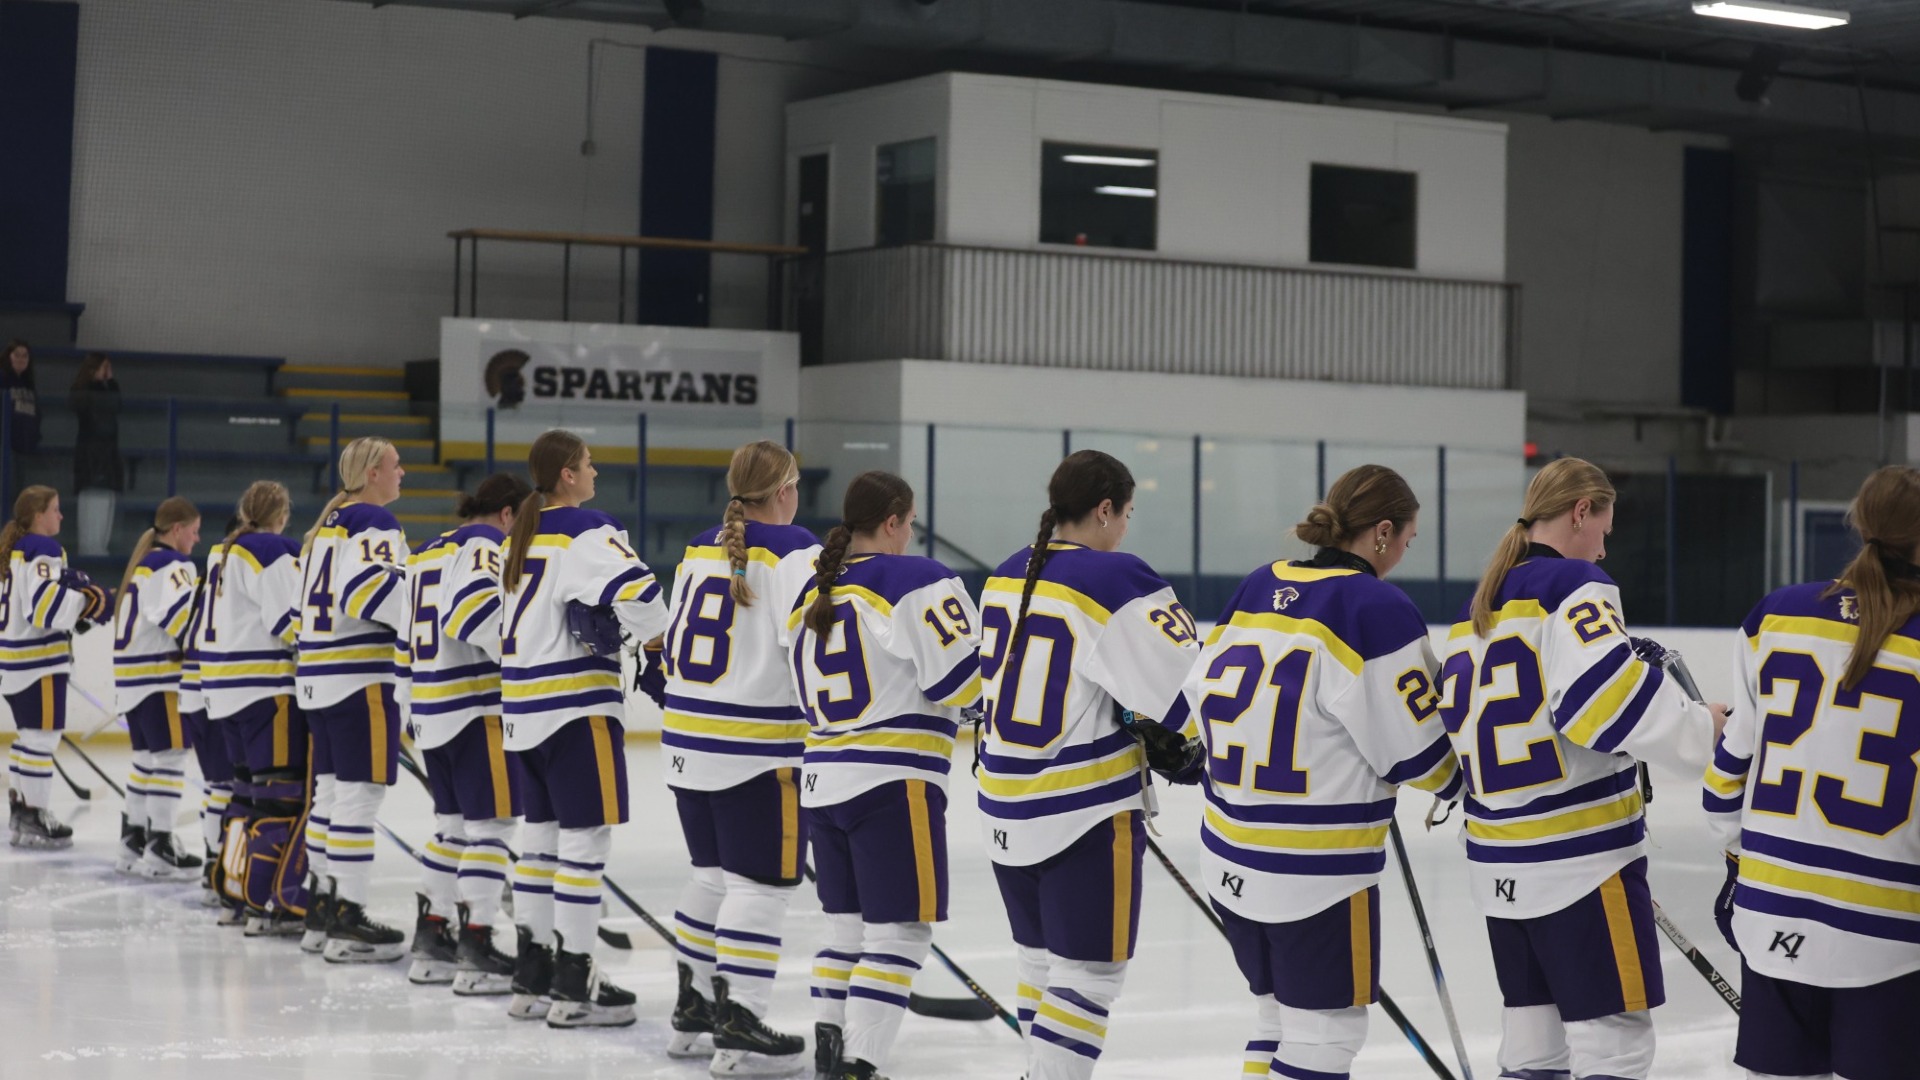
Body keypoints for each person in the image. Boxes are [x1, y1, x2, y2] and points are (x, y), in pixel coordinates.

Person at [1438, 457, 1726, 1080]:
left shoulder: (1480, 606)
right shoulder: (1574, 586)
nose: (1602, 549)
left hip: (1498, 868)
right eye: (1604, 529)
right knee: (1614, 1050)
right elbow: (1603, 705)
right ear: (1579, 512)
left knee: (1533, 1051)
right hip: (1581, 864)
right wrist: (1704, 726)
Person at [1183, 465, 1463, 1080]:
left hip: (1227, 852)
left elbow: (1197, 704)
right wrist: (1456, 783)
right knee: (1326, 1035)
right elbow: (1419, 752)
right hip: (1315, 872)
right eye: (1406, 542)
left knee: (1277, 1021)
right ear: (1382, 532)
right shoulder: (1376, 605)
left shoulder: (1259, 585)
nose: (1402, 558)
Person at [976, 449, 1203, 1080]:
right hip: (1082, 814)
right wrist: (1188, 753)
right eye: (1125, 514)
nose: (1126, 529)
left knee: (1041, 968)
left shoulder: (1004, 571)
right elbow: (1184, 691)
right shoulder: (1114, 576)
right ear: (1104, 509)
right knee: (1089, 979)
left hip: (1002, 805)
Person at [1706, 465, 1920, 1080]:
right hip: (1889, 937)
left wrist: (1744, 868)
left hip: (1771, 913)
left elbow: (1727, 781)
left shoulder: (1777, 615)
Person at [790, 472, 982, 1080]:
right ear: (896, 521)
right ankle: (860, 1065)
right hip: (891, 785)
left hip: (821, 779)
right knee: (900, 934)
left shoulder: (809, 594)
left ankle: (830, 1053)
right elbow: (962, 682)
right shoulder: (916, 578)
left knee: (845, 926)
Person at [657, 439, 821, 1073]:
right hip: (757, 750)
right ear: (783, 491)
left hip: (687, 742)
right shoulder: (793, 550)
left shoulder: (701, 546)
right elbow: (811, 646)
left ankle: (695, 1010)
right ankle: (741, 1022)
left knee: (711, 878)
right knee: (760, 888)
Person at [499, 429, 669, 1027]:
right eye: (589, 465)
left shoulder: (517, 538)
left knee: (539, 845)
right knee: (583, 846)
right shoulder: (586, 529)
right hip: (575, 707)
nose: (595, 474)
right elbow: (641, 591)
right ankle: (575, 983)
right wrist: (655, 643)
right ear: (567, 475)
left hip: (520, 710)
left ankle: (532, 977)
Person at [404, 472, 530, 996]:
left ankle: (432, 937)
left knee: (452, 828)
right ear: (506, 515)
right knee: (493, 828)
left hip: (431, 705)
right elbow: (475, 615)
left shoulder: (425, 553)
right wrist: (524, 658)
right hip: (476, 708)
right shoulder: (486, 547)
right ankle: (476, 943)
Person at [296, 437, 409, 962]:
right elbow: (367, 592)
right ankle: (348, 916)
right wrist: (421, 613)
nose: (402, 471)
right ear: (370, 474)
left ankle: (321, 909)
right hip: (358, 677)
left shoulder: (326, 527)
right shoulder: (374, 522)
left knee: (329, 795)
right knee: (358, 799)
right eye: (393, 464)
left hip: (316, 676)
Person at [200, 483, 307, 935]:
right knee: (279, 797)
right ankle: (266, 903)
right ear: (280, 513)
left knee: (243, 794)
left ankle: (234, 895)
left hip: (222, 692)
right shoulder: (269, 548)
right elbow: (289, 621)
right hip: (265, 690)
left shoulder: (220, 551)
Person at [2, 485, 109, 848]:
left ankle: (20, 812)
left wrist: (74, 588)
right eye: (56, 509)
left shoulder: (16, 551)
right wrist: (86, 602)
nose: (61, 516)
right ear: (37, 516)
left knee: (28, 738)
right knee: (41, 739)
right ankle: (35, 813)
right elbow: (44, 609)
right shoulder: (43, 549)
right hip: (38, 663)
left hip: (14, 663)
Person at [110, 495, 206, 881]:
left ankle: (132, 840)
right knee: (169, 758)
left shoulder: (145, 564)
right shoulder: (172, 563)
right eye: (195, 532)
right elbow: (179, 616)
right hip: (159, 677)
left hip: (133, 677)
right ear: (178, 530)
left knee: (146, 759)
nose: (197, 540)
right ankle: (161, 843)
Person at [69, 352, 122, 557]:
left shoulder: (109, 390)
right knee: (92, 510)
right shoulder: (83, 392)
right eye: (104, 368)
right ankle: (90, 552)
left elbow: (116, 406)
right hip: (91, 459)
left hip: (107, 458)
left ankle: (99, 550)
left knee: (106, 507)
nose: (108, 372)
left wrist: (109, 381)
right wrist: (100, 383)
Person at [2, 340, 40, 456]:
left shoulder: (29, 384)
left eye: (25, 356)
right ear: (9, 357)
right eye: (17, 355)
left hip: (24, 445)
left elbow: (36, 412)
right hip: (5, 446)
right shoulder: (2, 379)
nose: (21, 359)